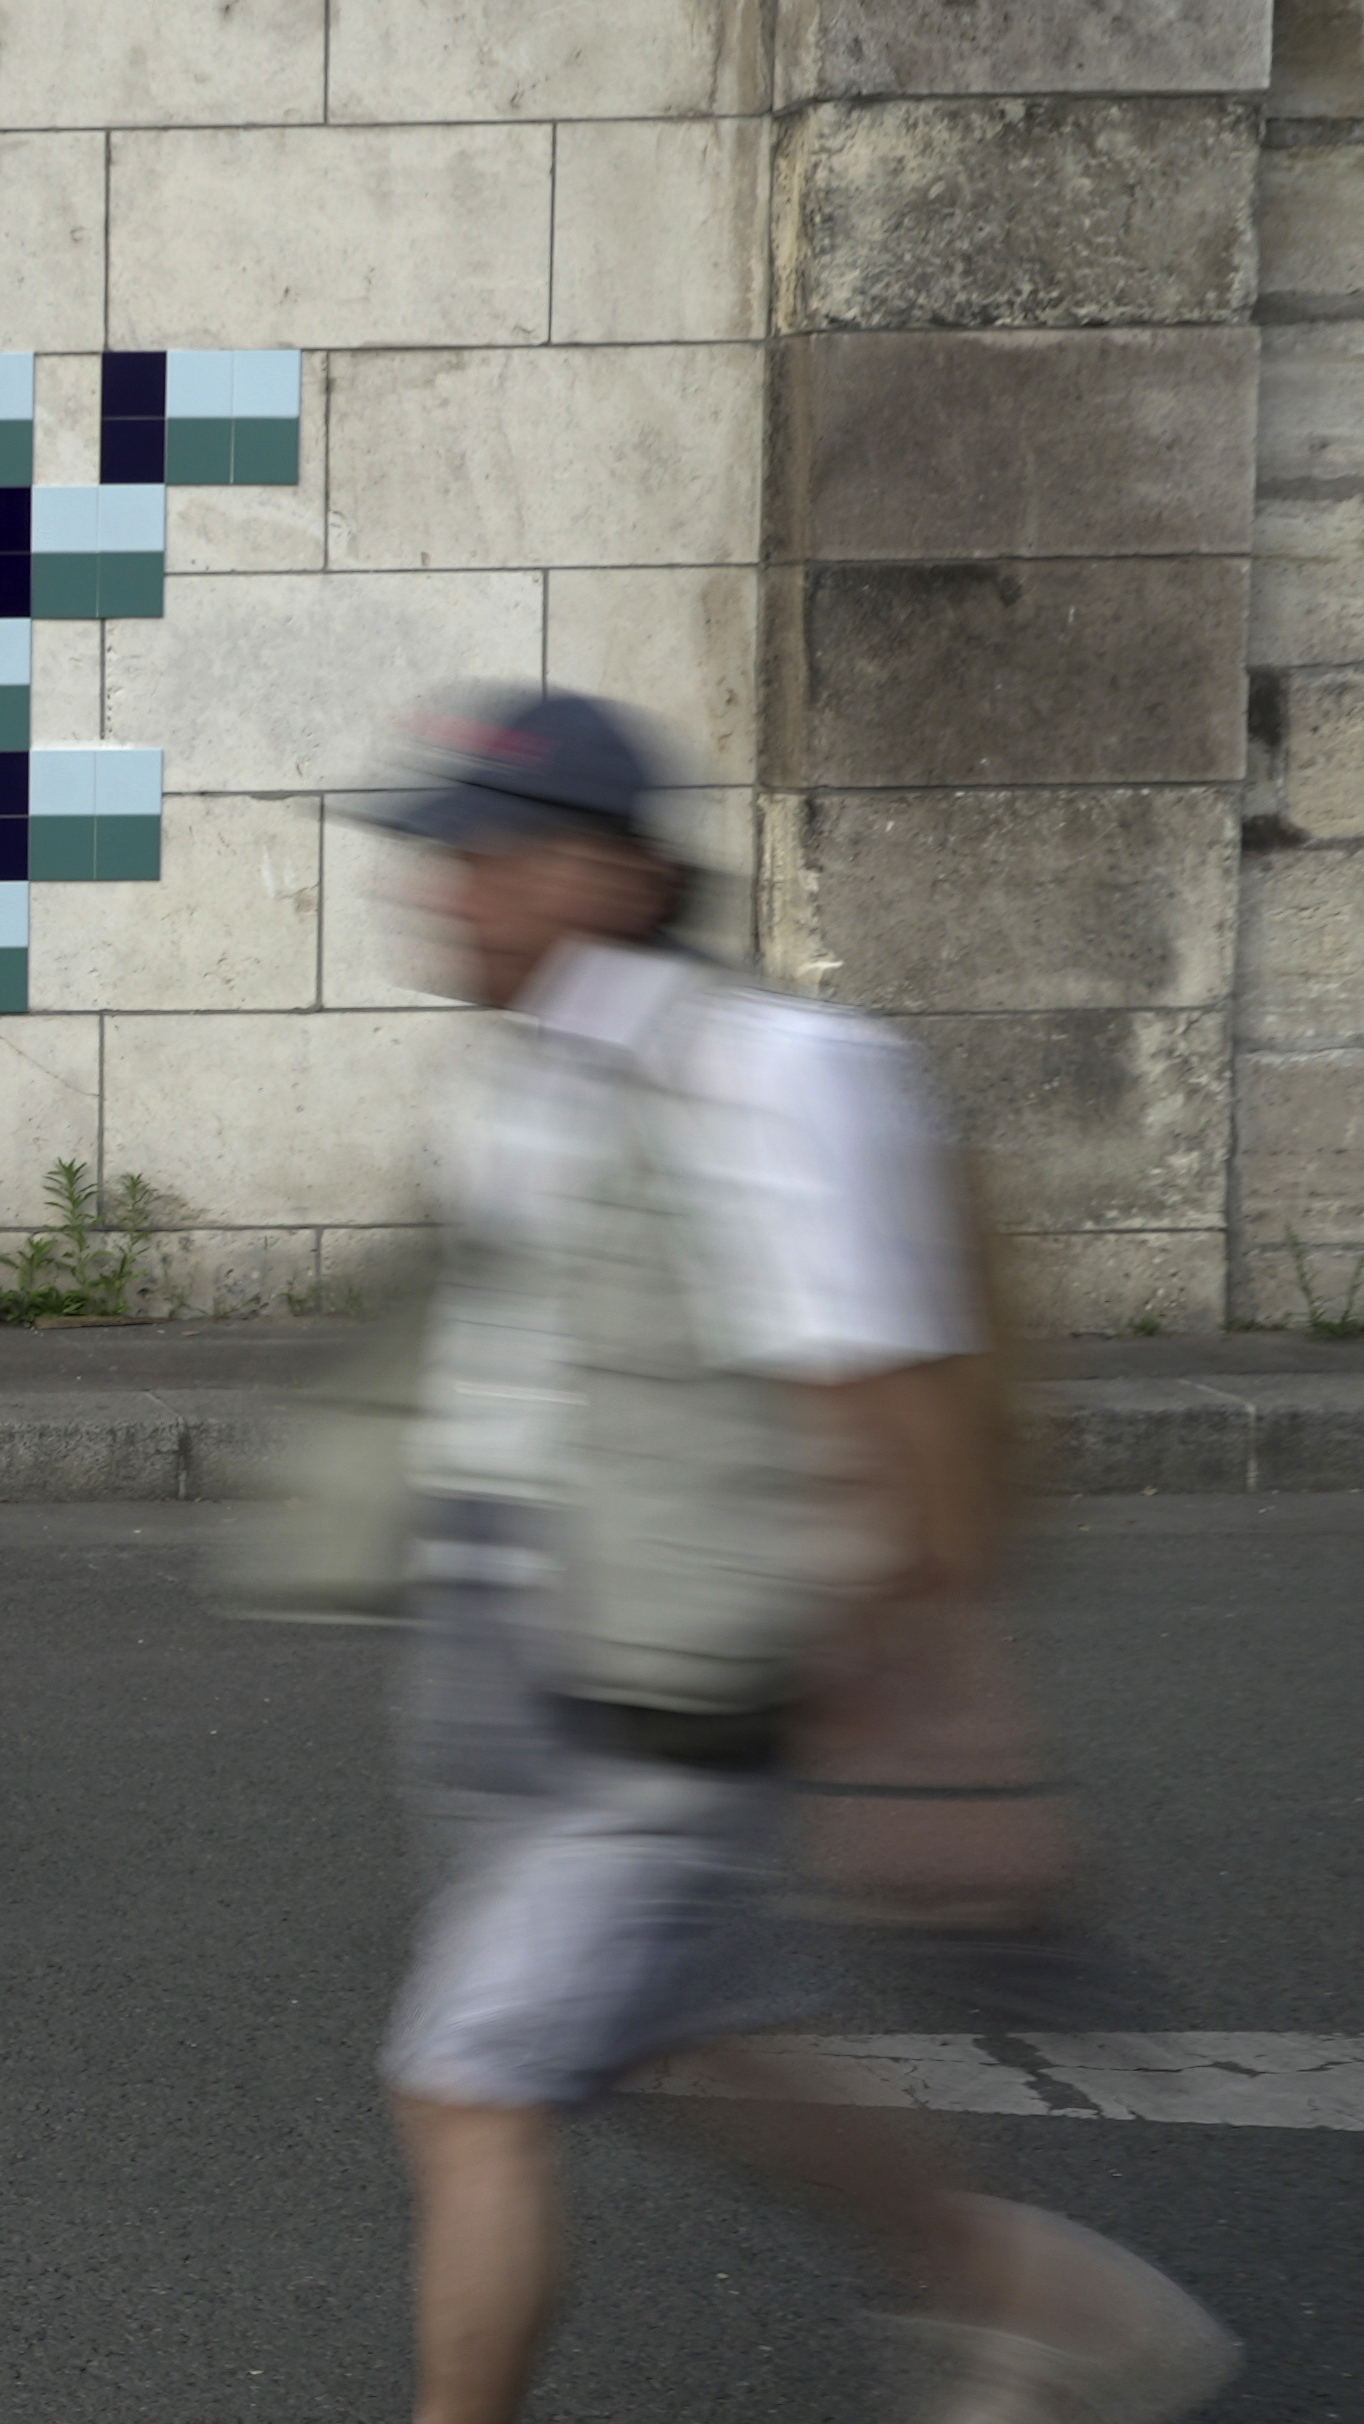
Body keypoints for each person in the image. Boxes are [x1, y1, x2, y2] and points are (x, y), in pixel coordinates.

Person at [349, 690, 1235, 2424]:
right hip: (516, 1653)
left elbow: (889, 1410)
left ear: (611, 873)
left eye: (483, 857)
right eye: (431, 854)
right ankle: (1033, 2297)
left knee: (468, 2085)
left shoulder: (771, 1076)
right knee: (664, 2039)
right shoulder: (525, 1079)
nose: (437, 893)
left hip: (672, 1699)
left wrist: (950, 1745)